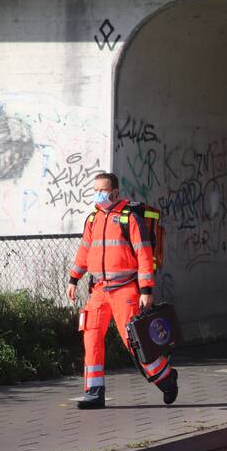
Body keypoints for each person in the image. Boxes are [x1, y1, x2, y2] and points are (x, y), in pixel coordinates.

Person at [67, 172, 178, 409]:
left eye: (103, 190)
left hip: (125, 289)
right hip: (99, 290)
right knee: (91, 337)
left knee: (134, 341)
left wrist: (146, 290)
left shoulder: (129, 219)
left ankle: (165, 377)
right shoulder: (92, 220)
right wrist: (73, 278)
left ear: (115, 192)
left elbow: (144, 255)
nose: (98, 195)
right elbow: (85, 251)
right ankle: (94, 392)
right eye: (95, 190)